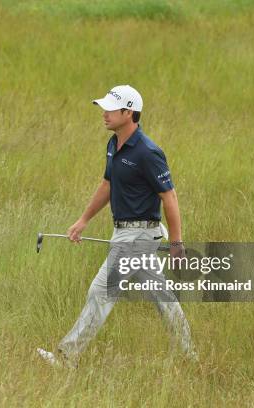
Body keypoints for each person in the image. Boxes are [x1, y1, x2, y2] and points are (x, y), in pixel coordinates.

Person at [37, 85, 197, 367]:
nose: (104, 114)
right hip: (124, 231)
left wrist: (176, 242)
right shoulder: (113, 145)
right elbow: (107, 185)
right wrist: (83, 220)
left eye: (111, 109)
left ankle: (66, 358)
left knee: (100, 292)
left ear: (129, 112)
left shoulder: (148, 152)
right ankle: (189, 357)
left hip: (138, 235)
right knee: (163, 297)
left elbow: (169, 196)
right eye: (104, 108)